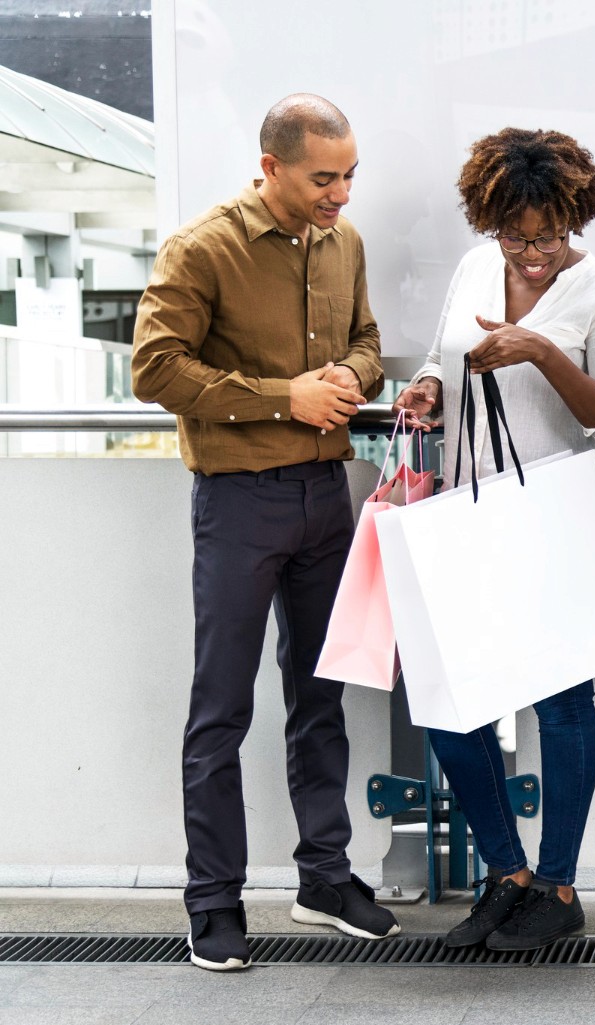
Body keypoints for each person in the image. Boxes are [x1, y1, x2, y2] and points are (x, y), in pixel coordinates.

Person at [132, 93, 397, 972]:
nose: (342, 194)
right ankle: (212, 902)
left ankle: (324, 876)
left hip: (327, 495)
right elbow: (155, 368)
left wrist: (350, 377)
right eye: (326, 178)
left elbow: (366, 340)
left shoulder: (343, 243)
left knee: (321, 697)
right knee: (222, 708)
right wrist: (289, 394)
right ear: (272, 165)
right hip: (238, 501)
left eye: (350, 175)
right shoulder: (203, 247)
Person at [392, 128, 595, 952]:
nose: (530, 253)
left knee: (562, 704)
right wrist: (430, 385)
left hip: (557, 520)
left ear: (575, 217)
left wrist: (538, 348)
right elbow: (441, 353)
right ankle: (509, 875)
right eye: (514, 235)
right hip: (469, 514)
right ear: (489, 220)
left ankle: (559, 884)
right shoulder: (476, 265)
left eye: (546, 236)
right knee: (451, 707)